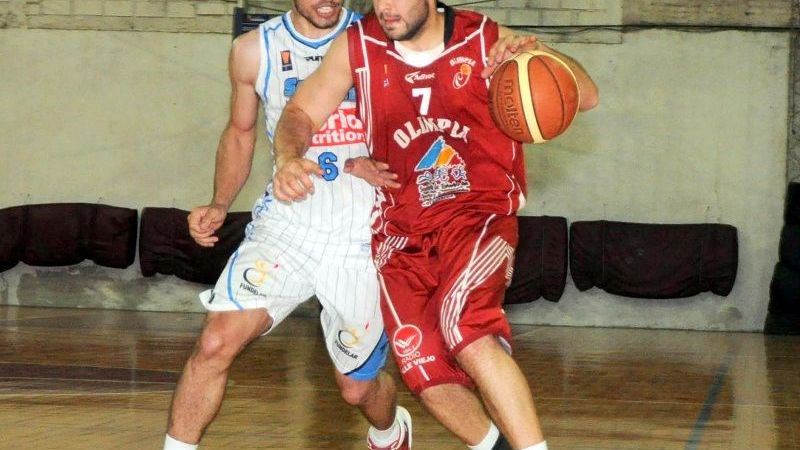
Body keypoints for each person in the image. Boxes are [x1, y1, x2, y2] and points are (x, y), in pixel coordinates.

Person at [270, 0, 599, 449]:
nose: (384, 8)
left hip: (476, 216)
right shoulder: (358, 45)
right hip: (400, 233)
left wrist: (536, 55)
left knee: (463, 325)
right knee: (421, 368)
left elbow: (587, 93)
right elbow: (300, 113)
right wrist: (288, 157)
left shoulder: (482, 38)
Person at [162, 1, 412, 449]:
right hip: (289, 225)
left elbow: (423, 126)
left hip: (363, 232)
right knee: (215, 345)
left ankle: (391, 430)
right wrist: (221, 201)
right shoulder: (252, 50)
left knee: (356, 388)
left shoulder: (382, 38)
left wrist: (383, 164)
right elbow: (241, 131)